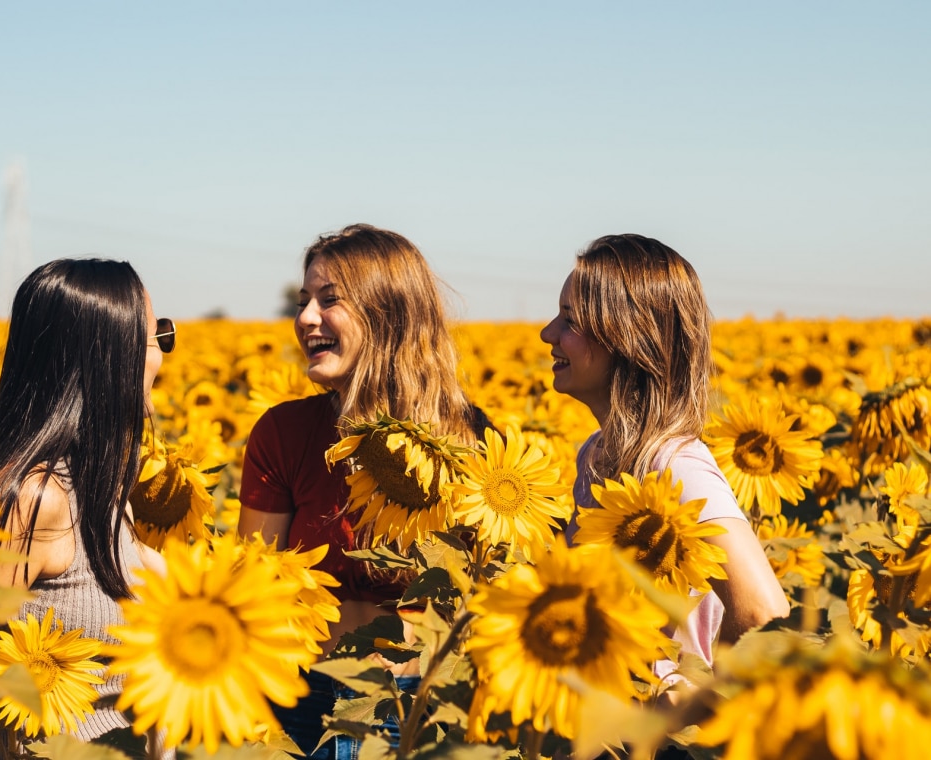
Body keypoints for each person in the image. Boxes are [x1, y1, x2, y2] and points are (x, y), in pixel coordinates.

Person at [238, 224, 490, 759]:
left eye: (330, 300)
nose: (305, 318)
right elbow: (253, 582)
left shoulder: (469, 442)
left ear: (388, 314)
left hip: (414, 707)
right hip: (300, 702)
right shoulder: (284, 433)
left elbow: (481, 593)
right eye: (305, 300)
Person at [0, 258, 175, 758]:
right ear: (109, 355)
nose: (162, 357)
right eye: (153, 338)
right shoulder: (37, 499)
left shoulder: (99, 486)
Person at [539, 234, 790, 686]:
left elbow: (762, 612)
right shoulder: (596, 456)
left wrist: (701, 711)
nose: (548, 334)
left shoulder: (675, 465)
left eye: (570, 320)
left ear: (627, 337)